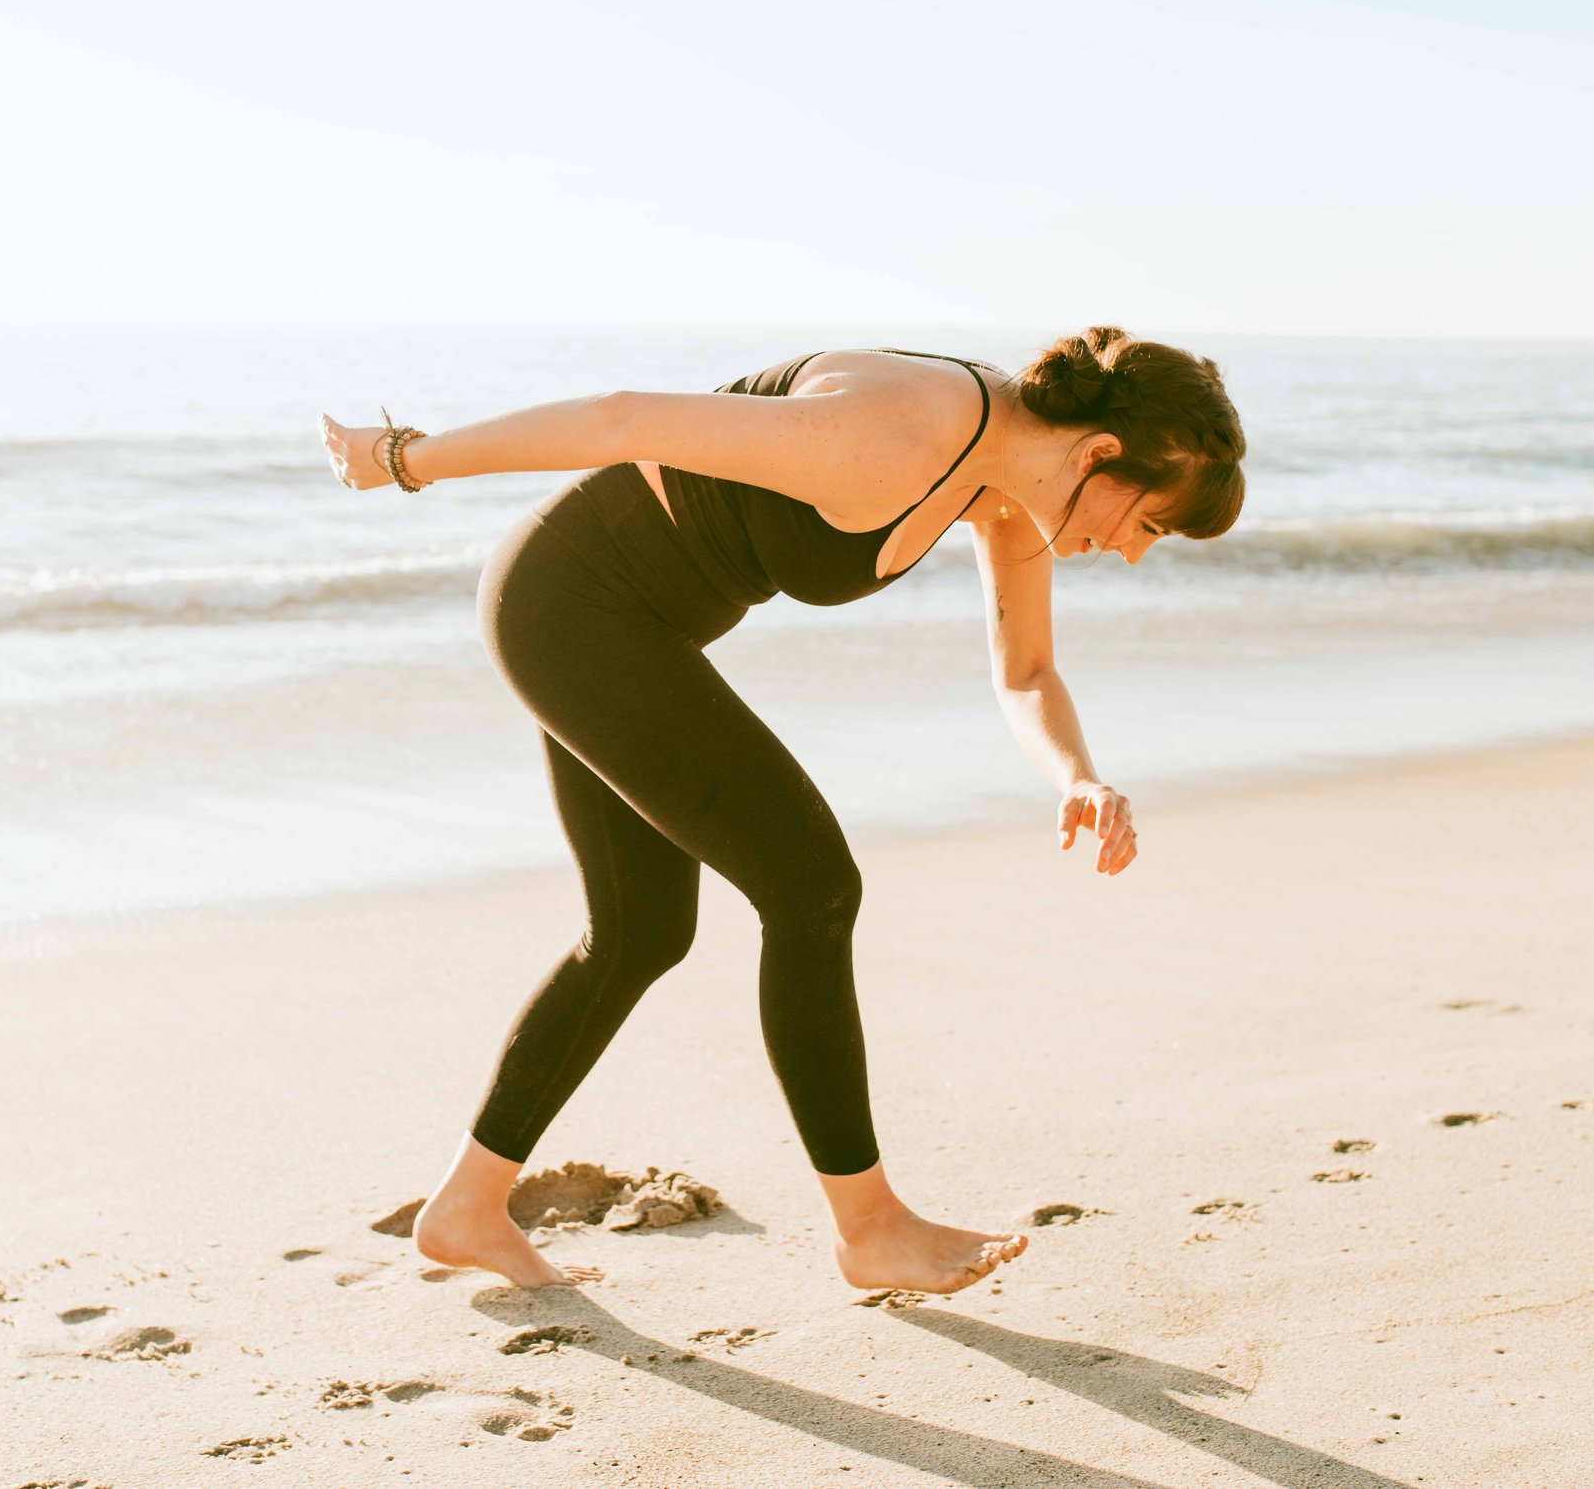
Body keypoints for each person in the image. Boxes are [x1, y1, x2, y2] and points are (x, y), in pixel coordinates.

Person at [318, 327, 1246, 1292]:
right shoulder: (907, 431)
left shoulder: (1008, 487)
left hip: (628, 624)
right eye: (1153, 522)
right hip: (573, 605)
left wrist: (1078, 777)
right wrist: (403, 460)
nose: (1136, 553)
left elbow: (1028, 670)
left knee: (639, 931)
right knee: (810, 887)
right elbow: (622, 419)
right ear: (1099, 456)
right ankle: (870, 1225)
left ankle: (465, 1206)